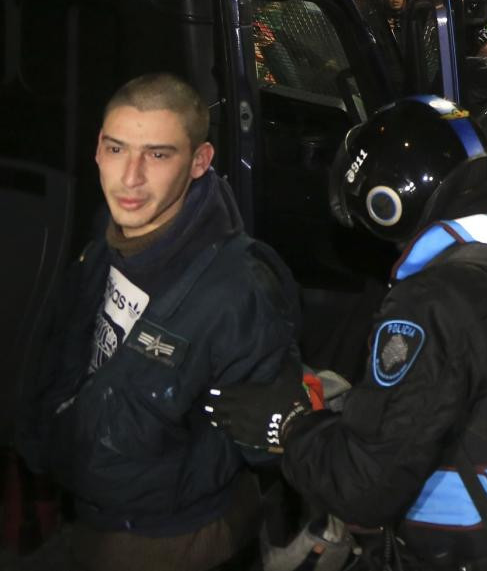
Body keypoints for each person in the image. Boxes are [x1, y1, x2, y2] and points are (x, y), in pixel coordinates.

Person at [205, 96, 487, 571]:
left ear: (389, 202)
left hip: (483, 553)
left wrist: (290, 426)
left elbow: (365, 488)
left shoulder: (437, 299)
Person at [17, 73, 301, 571]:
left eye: (158, 154)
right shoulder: (106, 235)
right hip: (87, 511)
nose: (129, 178)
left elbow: (268, 446)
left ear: (199, 162)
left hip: (174, 540)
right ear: (98, 150)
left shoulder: (238, 289)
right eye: (116, 148)